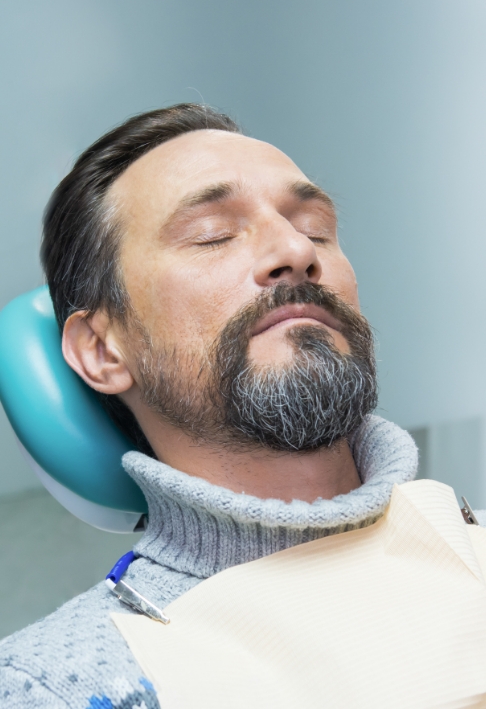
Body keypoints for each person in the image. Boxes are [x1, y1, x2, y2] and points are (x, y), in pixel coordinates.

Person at [0, 103, 421, 707]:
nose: (296, 250)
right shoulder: (53, 687)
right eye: (213, 235)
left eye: (317, 228)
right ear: (102, 350)